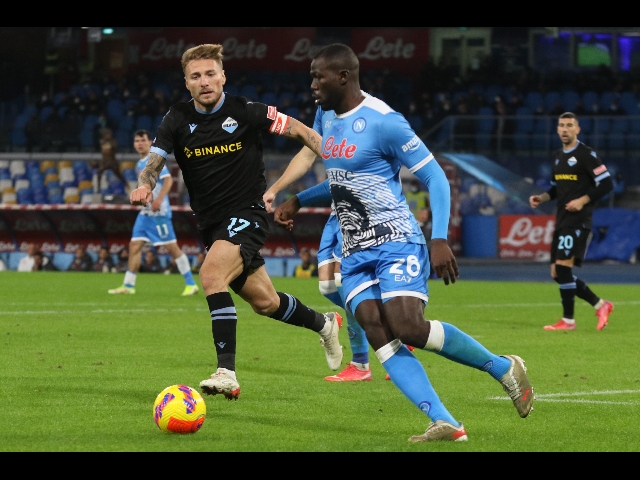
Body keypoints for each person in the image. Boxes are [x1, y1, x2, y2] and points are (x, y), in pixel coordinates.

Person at [273, 43, 534, 442]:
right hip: (354, 250)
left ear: (343, 76)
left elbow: (435, 177)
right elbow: (344, 181)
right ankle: (445, 422)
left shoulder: (385, 121)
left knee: (408, 327)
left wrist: (439, 238)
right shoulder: (326, 118)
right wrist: (299, 199)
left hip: (396, 240)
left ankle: (502, 367)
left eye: (318, 77)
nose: (312, 85)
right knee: (376, 329)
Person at [129, 43, 343, 401]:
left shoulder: (247, 111)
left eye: (210, 74)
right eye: (196, 76)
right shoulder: (176, 119)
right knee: (266, 303)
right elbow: (154, 162)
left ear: (223, 76)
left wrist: (339, 161)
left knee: (211, 275)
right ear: (187, 82)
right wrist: (144, 186)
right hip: (211, 225)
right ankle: (325, 324)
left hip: (248, 214)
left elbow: (302, 131)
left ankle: (226, 371)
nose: (204, 81)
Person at [529, 112, 615, 331]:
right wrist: (542, 198)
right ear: (557, 129)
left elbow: (606, 184)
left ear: (578, 129)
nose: (565, 129)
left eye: (569, 125)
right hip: (562, 219)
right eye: (561, 125)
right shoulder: (558, 156)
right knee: (557, 273)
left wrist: (582, 201)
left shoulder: (586, 154)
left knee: (563, 268)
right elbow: (556, 188)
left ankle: (568, 321)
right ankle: (601, 305)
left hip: (578, 220)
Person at [108, 129, 199, 296]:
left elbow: (168, 180)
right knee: (134, 245)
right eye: (137, 141)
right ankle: (128, 285)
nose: (140, 144)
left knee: (172, 248)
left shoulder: (154, 160)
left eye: (143, 140)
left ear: (150, 143)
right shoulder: (139, 163)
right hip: (145, 214)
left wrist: (159, 200)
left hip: (159, 214)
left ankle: (191, 283)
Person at [95, 127, 128, 195]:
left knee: (118, 175)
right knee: (99, 172)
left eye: (109, 134)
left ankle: (126, 185)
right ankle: (98, 189)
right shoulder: (102, 142)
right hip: (105, 161)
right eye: (106, 134)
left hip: (112, 161)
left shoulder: (113, 142)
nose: (108, 136)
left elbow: (114, 149)